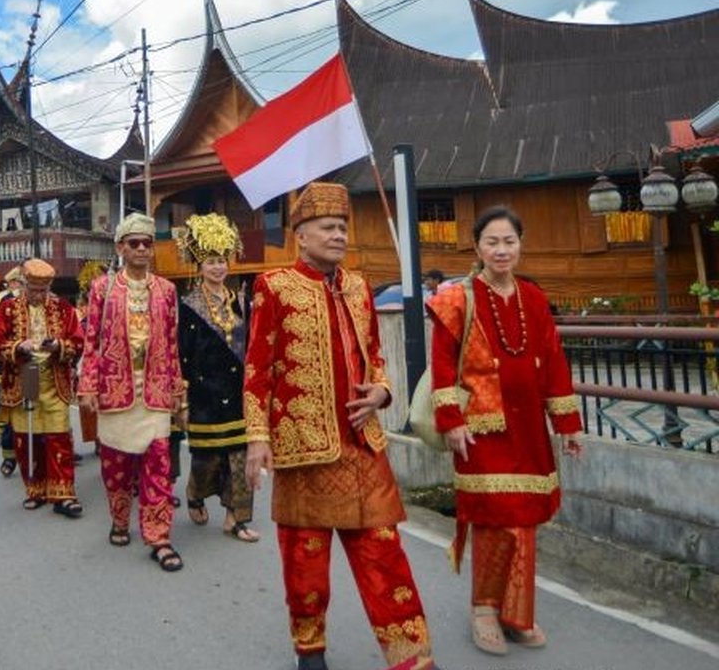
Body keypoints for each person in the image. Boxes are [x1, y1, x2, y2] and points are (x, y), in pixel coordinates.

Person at [244, 182, 439, 670]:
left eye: (343, 227)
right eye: (328, 227)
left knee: (384, 553)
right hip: (301, 448)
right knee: (305, 561)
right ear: (301, 235)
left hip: (362, 445)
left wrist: (382, 391)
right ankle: (309, 648)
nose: (339, 236)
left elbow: (374, 356)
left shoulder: (357, 286)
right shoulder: (274, 287)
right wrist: (257, 439)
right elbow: (256, 369)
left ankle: (411, 656)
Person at [427, 205, 582, 656]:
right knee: (496, 520)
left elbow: (553, 360)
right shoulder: (457, 298)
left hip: (528, 425)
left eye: (509, 241)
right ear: (477, 247)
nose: (501, 250)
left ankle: (517, 613)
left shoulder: (534, 298)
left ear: (520, 245)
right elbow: (441, 364)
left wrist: (568, 424)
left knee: (525, 521)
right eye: (492, 242)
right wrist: (451, 421)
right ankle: (483, 609)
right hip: (481, 427)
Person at [78, 212, 188, 573]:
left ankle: (158, 536)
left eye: (147, 243)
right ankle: (120, 518)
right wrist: (89, 384)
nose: (141, 249)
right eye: (134, 243)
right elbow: (91, 340)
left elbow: (172, 344)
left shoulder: (167, 291)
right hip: (115, 388)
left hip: (155, 390)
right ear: (120, 248)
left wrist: (176, 390)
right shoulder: (102, 289)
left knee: (159, 462)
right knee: (117, 466)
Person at [174, 213, 258, 543]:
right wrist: (181, 400)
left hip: (238, 393)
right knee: (206, 460)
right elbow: (182, 355)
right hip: (203, 394)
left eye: (222, 260)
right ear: (199, 265)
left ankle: (236, 518)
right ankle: (195, 493)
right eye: (211, 261)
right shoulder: (188, 306)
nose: (218, 267)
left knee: (239, 458)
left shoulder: (242, 303)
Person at [0, 258, 85, 517]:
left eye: (43, 290)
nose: (38, 295)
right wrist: (18, 346)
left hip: (55, 379)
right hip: (22, 378)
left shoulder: (63, 307)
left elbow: (78, 341)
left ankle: (63, 494)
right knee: (27, 438)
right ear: (24, 285)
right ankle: (36, 489)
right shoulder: (8, 308)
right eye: (33, 290)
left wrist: (59, 347)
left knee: (58, 436)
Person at [0, 266, 24, 469]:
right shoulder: (2, 302)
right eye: (22, 282)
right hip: (11, 363)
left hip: (41, 365)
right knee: (11, 409)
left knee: (48, 410)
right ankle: (9, 455)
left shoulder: (49, 301)